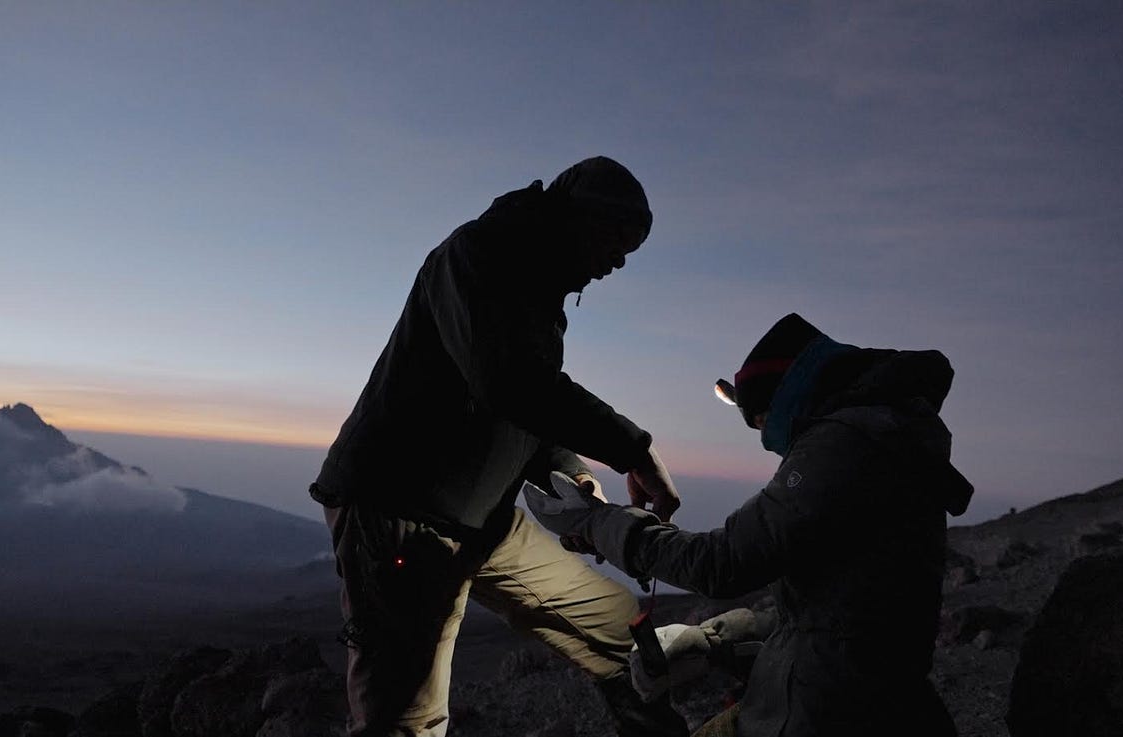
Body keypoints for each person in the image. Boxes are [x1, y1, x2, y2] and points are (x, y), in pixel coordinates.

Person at [309, 156, 688, 737]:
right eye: (616, 240)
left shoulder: (540, 296)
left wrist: (574, 479)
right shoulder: (477, 255)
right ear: (576, 216)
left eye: (629, 251)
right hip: (399, 516)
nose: (618, 262)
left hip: (483, 521)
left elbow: (520, 411)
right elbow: (509, 382)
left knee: (617, 628)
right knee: (407, 719)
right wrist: (634, 449)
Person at [524, 312, 973, 737]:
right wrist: (711, 641)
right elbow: (827, 615)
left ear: (787, 395)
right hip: (852, 701)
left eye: (761, 421)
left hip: (824, 718)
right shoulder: (881, 434)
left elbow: (723, 563)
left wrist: (598, 521)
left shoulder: (845, 445)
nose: (764, 439)